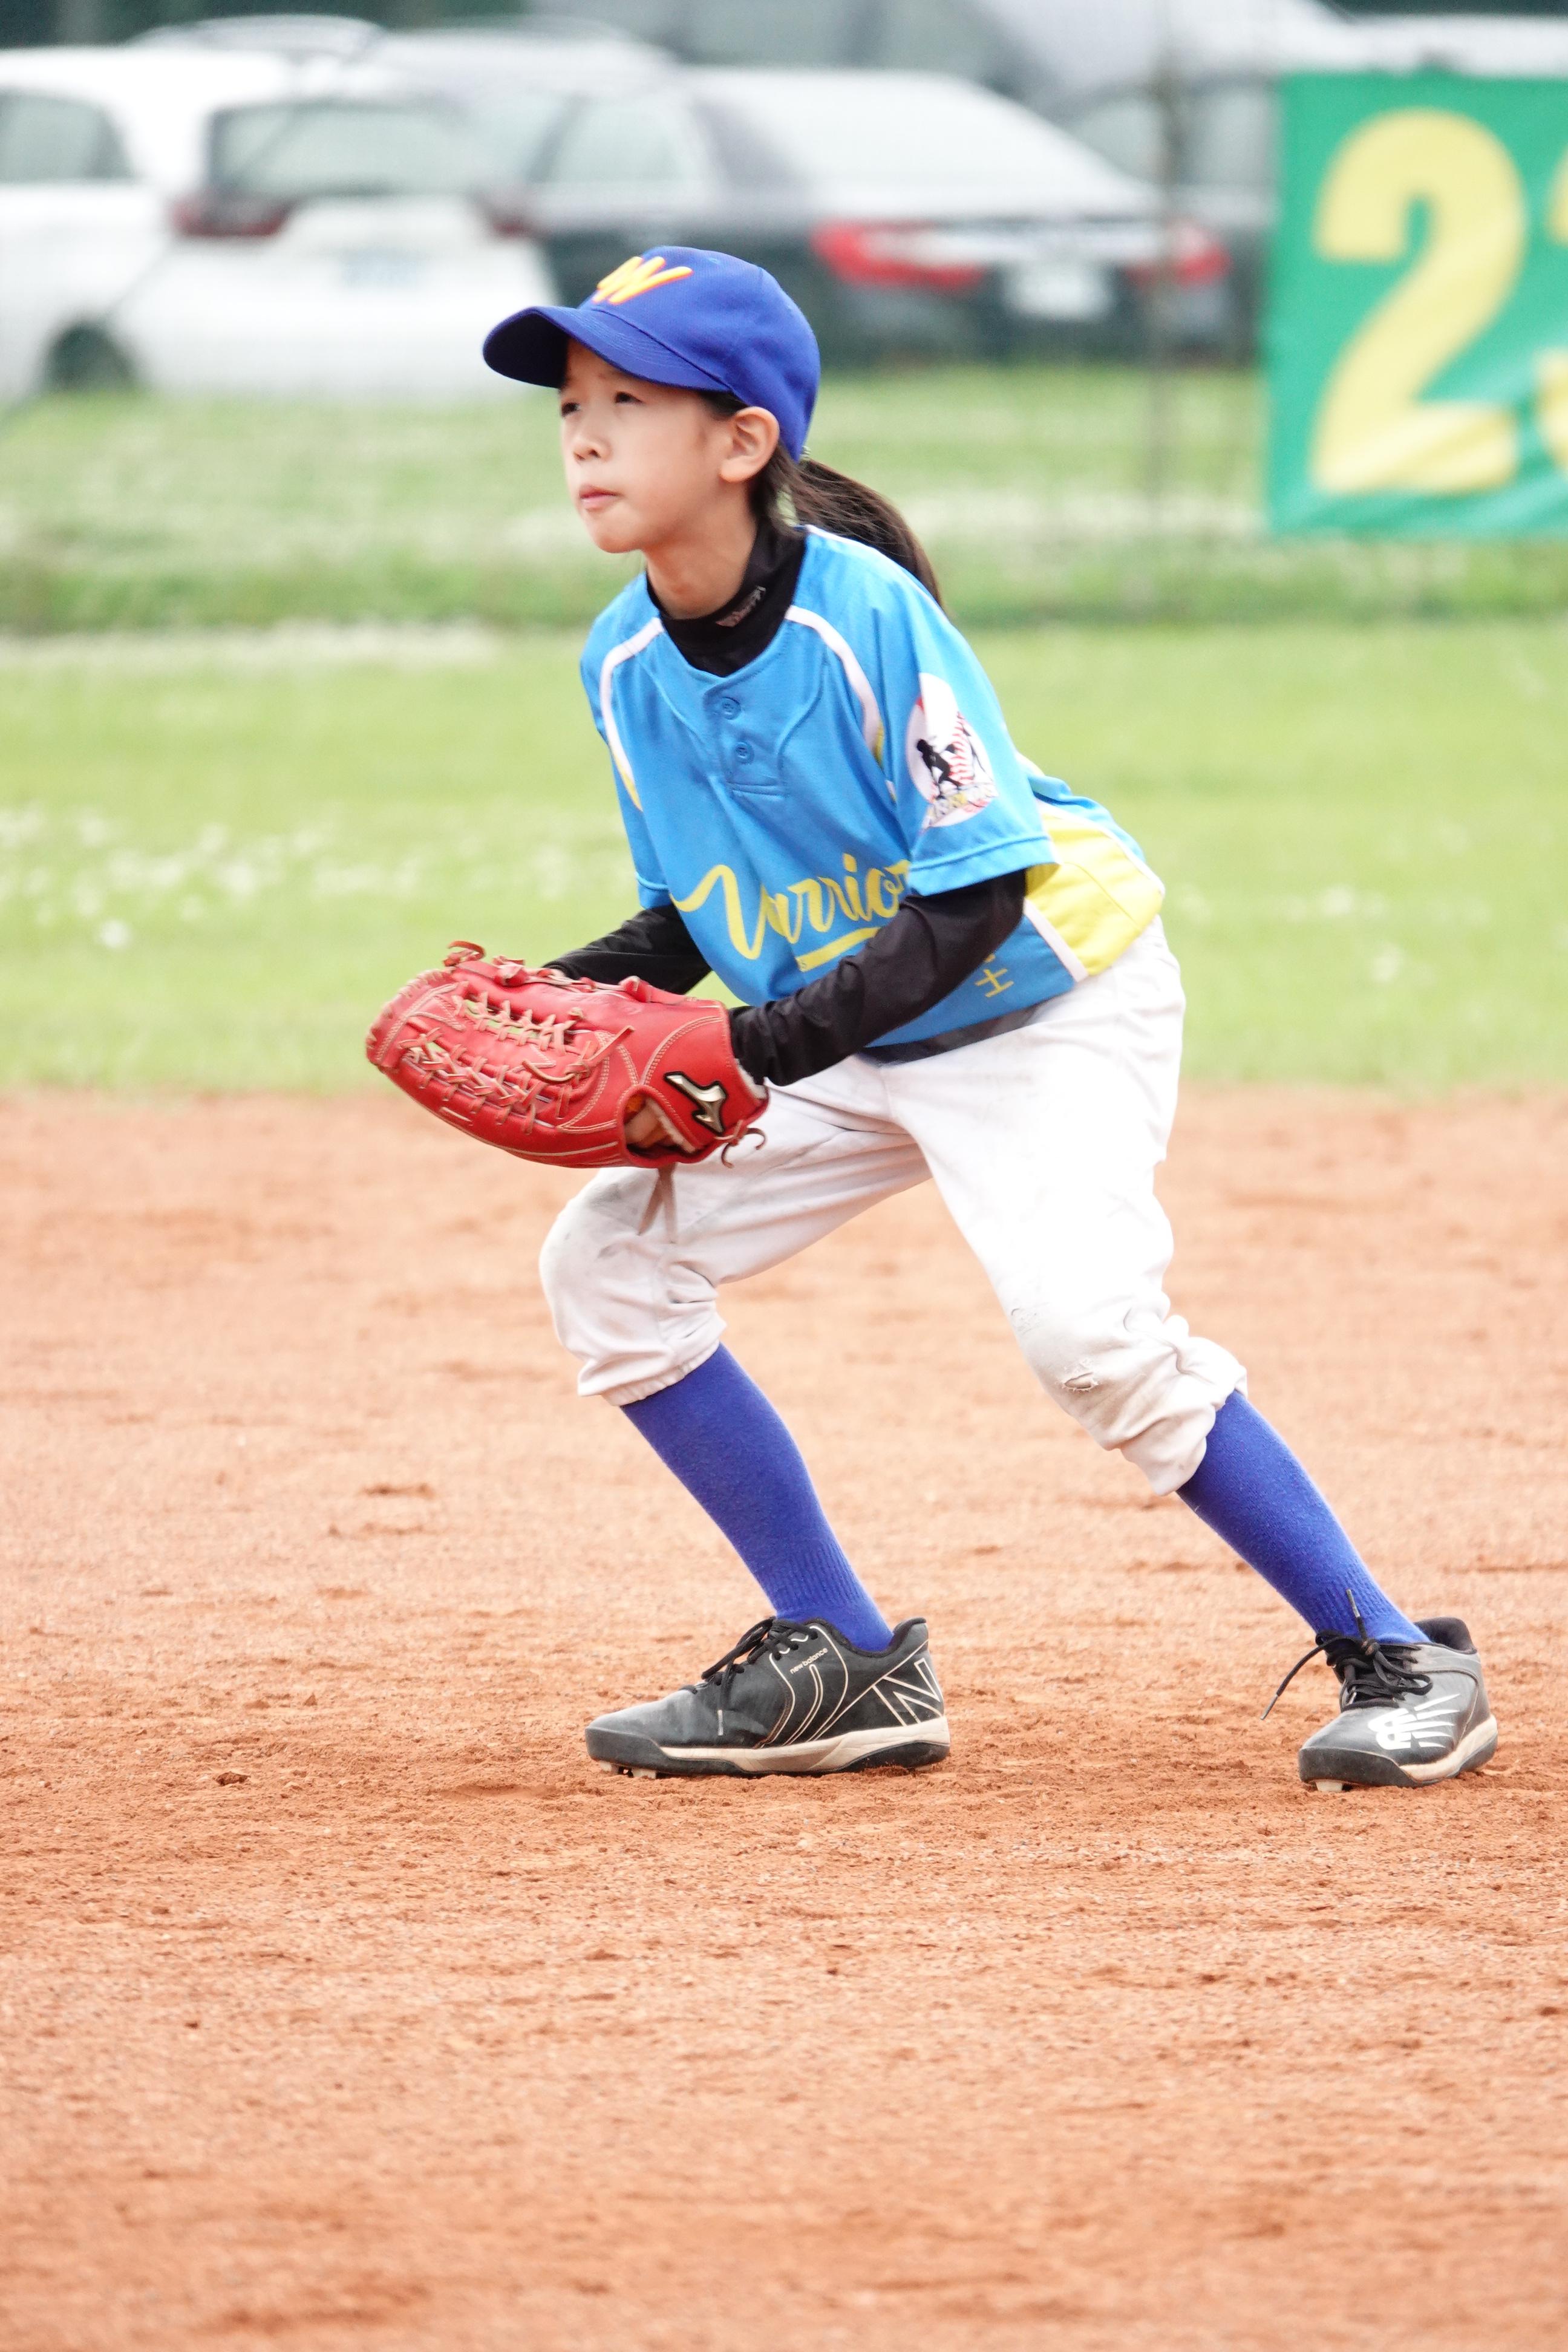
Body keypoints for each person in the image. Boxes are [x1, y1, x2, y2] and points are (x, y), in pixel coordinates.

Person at [480, 248, 1496, 1793]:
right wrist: (561, 994)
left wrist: (752, 1051)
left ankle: (1403, 1656)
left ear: (744, 441)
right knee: (607, 1265)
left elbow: (975, 902)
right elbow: (696, 907)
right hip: (852, 1016)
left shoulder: (864, 617)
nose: (584, 435)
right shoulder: (622, 659)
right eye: (571, 405)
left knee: (1091, 1336)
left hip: (1042, 1000)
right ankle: (844, 1658)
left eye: (629, 400)